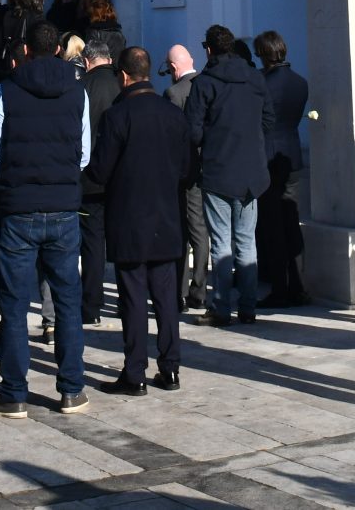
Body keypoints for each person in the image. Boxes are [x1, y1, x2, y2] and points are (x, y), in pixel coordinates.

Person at [0, 19, 90, 417]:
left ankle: (14, 393)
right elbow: (84, 154)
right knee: (67, 302)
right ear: (59, 51)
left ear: (25, 50)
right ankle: (71, 389)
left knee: (13, 306)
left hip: (18, 207)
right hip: (63, 206)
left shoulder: (4, 90)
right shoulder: (77, 91)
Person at [88, 46, 191, 396]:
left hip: (129, 217)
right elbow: (187, 168)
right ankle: (170, 367)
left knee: (132, 297)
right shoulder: (172, 114)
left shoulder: (118, 116)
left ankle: (135, 372)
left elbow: (100, 170)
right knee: (165, 295)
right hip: (165, 215)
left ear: (124, 75)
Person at [182, 25, 273, 327]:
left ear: (208, 49)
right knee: (246, 242)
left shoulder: (205, 83)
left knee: (222, 244)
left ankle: (222, 309)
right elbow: (267, 120)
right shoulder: (255, 79)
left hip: (219, 170)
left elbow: (192, 132)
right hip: (251, 173)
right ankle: (247, 307)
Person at [255, 31, 310, 307]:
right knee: (291, 221)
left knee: (273, 225)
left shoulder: (263, 83)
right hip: (292, 153)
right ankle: (298, 285)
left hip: (268, 156)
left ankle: (280, 287)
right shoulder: (300, 82)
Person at [77, 37, 123, 325]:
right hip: (121, 176)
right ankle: (125, 301)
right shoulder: (122, 83)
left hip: (90, 177)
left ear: (86, 61)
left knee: (92, 244)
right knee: (122, 240)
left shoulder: (82, 88)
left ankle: (91, 305)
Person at [164, 44, 209, 309]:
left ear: (172, 67)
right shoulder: (206, 86)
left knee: (184, 231)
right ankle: (199, 289)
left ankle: (182, 291)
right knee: (200, 231)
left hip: (183, 171)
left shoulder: (173, 92)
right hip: (207, 167)